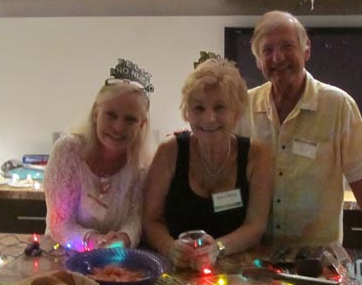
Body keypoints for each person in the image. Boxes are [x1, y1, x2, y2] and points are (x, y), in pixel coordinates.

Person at [236, 10, 362, 259]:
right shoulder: (243, 107)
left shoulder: (339, 105)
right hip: (257, 256)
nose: (277, 57)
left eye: (287, 46)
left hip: (320, 259)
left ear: (306, 50)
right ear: (258, 61)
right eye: (267, 50)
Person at [143, 58, 273, 269]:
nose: (209, 118)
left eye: (219, 107)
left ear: (237, 112)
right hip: (175, 268)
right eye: (199, 108)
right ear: (187, 113)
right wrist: (169, 247)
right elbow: (151, 220)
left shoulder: (257, 155)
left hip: (235, 270)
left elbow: (255, 227)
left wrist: (217, 248)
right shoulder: (169, 151)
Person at [44, 59, 153, 252]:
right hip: (62, 256)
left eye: (130, 119)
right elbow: (59, 223)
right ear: (96, 113)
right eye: (111, 115)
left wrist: (124, 239)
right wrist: (93, 241)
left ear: (141, 125)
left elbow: (135, 219)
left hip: (116, 259)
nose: (118, 127)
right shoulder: (68, 151)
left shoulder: (142, 166)